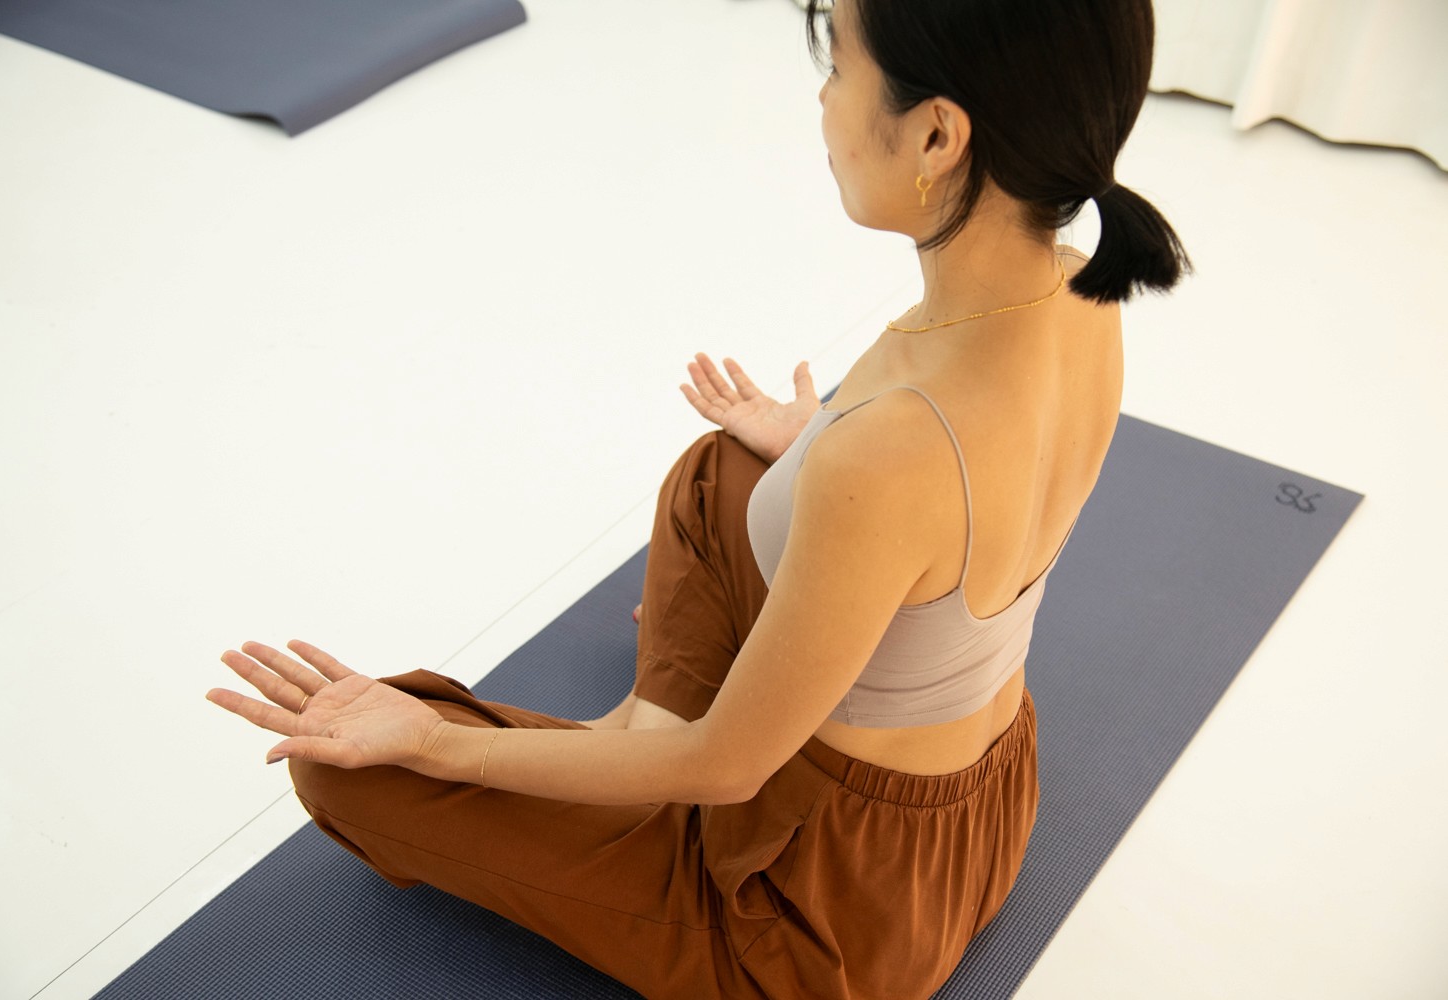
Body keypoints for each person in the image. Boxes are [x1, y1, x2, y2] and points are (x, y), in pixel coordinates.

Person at [207, 0, 1188, 996]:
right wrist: (814, 449)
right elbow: (966, 515)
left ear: (936, 132)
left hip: (821, 917)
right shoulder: (1078, 288)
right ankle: (642, 729)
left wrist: (434, 741)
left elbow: (728, 769)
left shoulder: (894, 448)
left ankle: (635, 751)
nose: (823, 95)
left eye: (837, 64)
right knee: (721, 473)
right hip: (981, 805)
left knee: (347, 767)